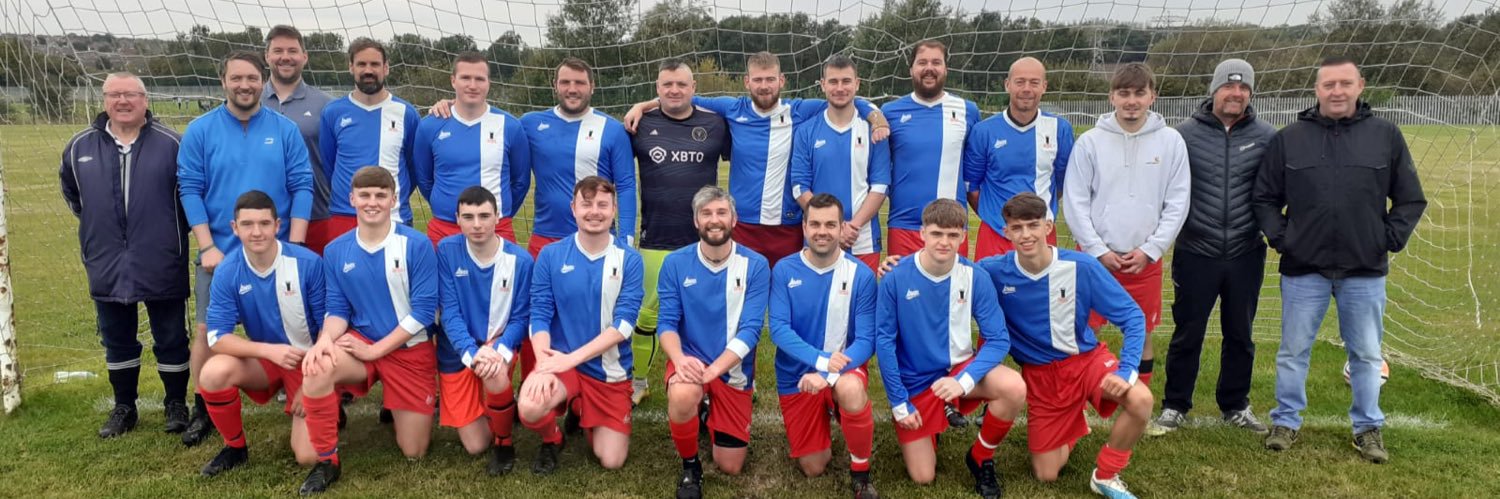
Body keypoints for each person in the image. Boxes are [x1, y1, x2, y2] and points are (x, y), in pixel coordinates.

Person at [1254, 56, 1427, 463]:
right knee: (1293, 350)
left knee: (1367, 353)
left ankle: (1368, 428)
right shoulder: (1290, 138)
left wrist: (1385, 240)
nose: (1337, 91)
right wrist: (1284, 239)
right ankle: (1286, 421)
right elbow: (1263, 198)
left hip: (1364, 270)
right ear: (1317, 90)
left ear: (1360, 86)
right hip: (1304, 268)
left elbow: (1410, 198)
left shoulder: (1385, 135)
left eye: (1345, 83)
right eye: (1329, 84)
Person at [622, 51, 889, 266]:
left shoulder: (800, 110)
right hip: (744, 226)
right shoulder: (732, 108)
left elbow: (847, 100)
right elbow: (681, 98)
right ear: (747, 82)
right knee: (741, 298)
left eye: (770, 79)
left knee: (789, 298)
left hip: (788, 225)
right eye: (758, 80)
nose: (764, 86)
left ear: (781, 81)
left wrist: (876, 118)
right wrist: (643, 105)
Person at [978, 192, 1153, 499]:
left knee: (1140, 400)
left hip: (1087, 362)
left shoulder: (1081, 266)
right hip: (1042, 377)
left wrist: (1126, 371)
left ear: (1048, 226)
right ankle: (1074, 416)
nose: (1026, 234)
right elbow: (950, 271)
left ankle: (1106, 475)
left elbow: (1132, 317)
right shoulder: (993, 271)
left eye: (1033, 225)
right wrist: (896, 266)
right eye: (1017, 228)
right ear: (1006, 232)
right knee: (1046, 474)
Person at [179, 51, 314, 446]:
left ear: (263, 81)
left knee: (298, 326)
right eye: (236, 77)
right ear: (223, 81)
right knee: (206, 332)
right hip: (221, 253)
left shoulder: (284, 129)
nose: (245, 85)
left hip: (277, 250)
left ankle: (314, 390)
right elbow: (190, 188)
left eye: (252, 78)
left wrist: (298, 244)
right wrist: (206, 247)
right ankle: (205, 404)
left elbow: (302, 184)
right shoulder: (201, 130)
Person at [61, 72, 192, 439]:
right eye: (114, 94)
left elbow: (187, 197)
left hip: (162, 255)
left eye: (131, 94)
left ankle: (175, 403)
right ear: (104, 100)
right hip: (105, 259)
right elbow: (74, 196)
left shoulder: (172, 145)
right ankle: (124, 406)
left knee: (170, 335)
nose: (123, 101)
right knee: (116, 336)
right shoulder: (79, 146)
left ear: (145, 99)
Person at [1150, 59, 1277, 436]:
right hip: (1196, 250)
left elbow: (1276, 191)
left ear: (1250, 94)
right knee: (1188, 331)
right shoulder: (1183, 135)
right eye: (1228, 86)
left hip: (1245, 250)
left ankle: (1235, 405)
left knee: (1240, 332)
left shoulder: (1268, 136)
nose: (1235, 94)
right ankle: (1175, 404)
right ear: (1214, 90)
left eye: (1243, 88)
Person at [297, 166, 440, 494]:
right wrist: (323, 342)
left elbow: (422, 313)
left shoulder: (417, 245)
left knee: (414, 451)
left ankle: (395, 400)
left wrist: (376, 351)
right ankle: (328, 461)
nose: (372, 202)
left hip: (407, 350)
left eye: (380, 195)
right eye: (364, 195)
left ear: (393, 199)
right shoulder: (335, 251)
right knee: (317, 368)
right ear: (352, 199)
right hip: (359, 344)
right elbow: (337, 311)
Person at [875, 199, 1026, 498]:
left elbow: (998, 339)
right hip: (916, 382)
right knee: (923, 477)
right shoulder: (895, 276)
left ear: (963, 236)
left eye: (953, 234)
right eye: (937, 234)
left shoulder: (975, 277)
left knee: (1014, 387)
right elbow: (884, 343)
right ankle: (934, 416)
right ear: (922, 233)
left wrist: (962, 380)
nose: (944, 242)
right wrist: (898, 402)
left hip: (959, 372)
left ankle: (981, 457)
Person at [1062, 62, 1190, 389]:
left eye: (1139, 93)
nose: (1131, 101)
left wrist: (1151, 250)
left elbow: (1177, 202)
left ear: (1152, 96)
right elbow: (1075, 201)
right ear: (1111, 97)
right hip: (1095, 260)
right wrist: (1097, 250)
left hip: (1143, 261)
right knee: (1085, 331)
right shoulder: (1090, 142)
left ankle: (1138, 405)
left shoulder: (1171, 141)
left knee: (1142, 333)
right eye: (1124, 93)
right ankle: (1080, 400)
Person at [194, 191, 325, 477]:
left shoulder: (308, 263)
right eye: (248, 224)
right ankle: (235, 447)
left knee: (308, 456)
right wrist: (267, 351)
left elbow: (330, 332)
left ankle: (330, 404)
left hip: (312, 362)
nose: (256, 232)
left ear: (278, 225)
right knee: (213, 373)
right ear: (234, 228)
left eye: (264, 224)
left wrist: (313, 382)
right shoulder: (228, 270)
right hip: (269, 360)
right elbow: (217, 336)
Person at [519, 176, 643, 473]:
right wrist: (544, 363)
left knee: (611, 460)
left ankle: (580, 407)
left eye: (603, 204)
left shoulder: (629, 259)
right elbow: (539, 314)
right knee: (530, 406)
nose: (594, 212)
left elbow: (623, 327)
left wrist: (571, 359)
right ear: (573, 208)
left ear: (614, 210)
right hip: (562, 363)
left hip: (607, 370)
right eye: (586, 204)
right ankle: (553, 438)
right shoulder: (550, 255)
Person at [656, 186, 771, 499]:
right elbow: (666, 324)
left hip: (732, 370)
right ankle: (690, 467)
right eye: (706, 213)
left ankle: (705, 412)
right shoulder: (675, 263)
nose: (714, 220)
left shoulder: (756, 265)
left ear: (733, 218)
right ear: (696, 221)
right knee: (682, 394)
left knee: (731, 465)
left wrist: (713, 371)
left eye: (721, 212)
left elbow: (750, 331)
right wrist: (679, 361)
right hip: (691, 361)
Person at [629, 58, 731, 405]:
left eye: (681, 85)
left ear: (693, 89)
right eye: (667, 85)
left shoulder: (715, 124)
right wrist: (642, 107)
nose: (674, 90)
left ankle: (711, 378)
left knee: (703, 314)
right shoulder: (640, 124)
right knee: (647, 313)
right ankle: (638, 380)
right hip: (655, 236)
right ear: (657, 89)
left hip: (703, 239)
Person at [768, 194, 879, 498]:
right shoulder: (784, 270)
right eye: (815, 224)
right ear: (803, 227)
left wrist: (827, 373)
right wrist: (820, 362)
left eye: (831, 224)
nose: (822, 231)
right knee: (814, 467)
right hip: (797, 376)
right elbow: (778, 330)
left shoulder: (861, 275)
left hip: (841, 370)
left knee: (851, 390)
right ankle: (831, 414)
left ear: (843, 228)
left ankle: (861, 472)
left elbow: (866, 341)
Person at [435, 186, 534, 475]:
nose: (476, 224)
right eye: (468, 216)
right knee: (476, 445)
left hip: (496, 343)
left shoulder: (520, 261)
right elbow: (449, 313)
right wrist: (471, 352)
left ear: (498, 217)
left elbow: (520, 318)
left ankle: (504, 442)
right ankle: (501, 407)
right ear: (457, 219)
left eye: (483, 216)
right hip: (458, 350)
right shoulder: (446, 251)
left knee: (494, 371)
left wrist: (498, 351)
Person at [521, 57, 637, 256]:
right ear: (555, 86)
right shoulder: (530, 124)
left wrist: (626, 239)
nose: (572, 89)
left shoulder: (613, 130)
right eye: (565, 82)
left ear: (592, 87)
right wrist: (453, 105)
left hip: (598, 237)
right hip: (546, 237)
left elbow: (626, 186)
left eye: (580, 83)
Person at [413, 52, 531, 247]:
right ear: (453, 81)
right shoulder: (430, 126)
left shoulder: (510, 126)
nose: (473, 85)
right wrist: (445, 204)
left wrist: (495, 213)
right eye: (465, 78)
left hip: (497, 229)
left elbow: (520, 182)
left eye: (479, 79)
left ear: (488, 83)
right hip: (444, 228)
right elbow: (424, 179)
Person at [964, 57, 1074, 259]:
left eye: (1034, 82)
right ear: (1007, 85)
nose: (1026, 88)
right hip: (996, 233)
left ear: (1044, 86)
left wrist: (1034, 219)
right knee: (989, 290)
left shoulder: (1060, 129)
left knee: (1041, 290)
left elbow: (1061, 182)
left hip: (1042, 232)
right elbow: (973, 187)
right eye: (1020, 81)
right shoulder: (983, 131)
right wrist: (997, 218)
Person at [881, 40, 981, 258]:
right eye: (922, 62)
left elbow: (975, 170)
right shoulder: (889, 112)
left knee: (953, 291)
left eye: (936, 62)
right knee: (905, 290)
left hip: (951, 229)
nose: (929, 68)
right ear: (911, 69)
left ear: (946, 68)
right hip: (904, 226)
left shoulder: (968, 111)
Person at [790, 55, 891, 271]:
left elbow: (880, 185)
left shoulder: (874, 130)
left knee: (861, 302)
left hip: (861, 238)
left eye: (846, 81)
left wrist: (852, 227)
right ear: (823, 85)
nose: (840, 88)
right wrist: (829, 225)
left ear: (857, 84)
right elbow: (799, 187)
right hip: (819, 236)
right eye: (833, 81)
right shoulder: (806, 131)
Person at [318, 37, 420, 231]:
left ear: (386, 68)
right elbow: (329, 165)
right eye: (361, 64)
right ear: (351, 67)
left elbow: (414, 168)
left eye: (375, 64)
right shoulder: (333, 112)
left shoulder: (406, 113)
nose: (368, 70)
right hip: (345, 215)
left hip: (394, 216)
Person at [261, 25, 337, 254]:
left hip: (316, 215)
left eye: (292, 51)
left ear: (304, 57)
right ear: (267, 57)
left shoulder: (327, 105)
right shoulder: (249, 103)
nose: (285, 57)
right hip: (260, 219)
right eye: (278, 51)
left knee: (312, 286)